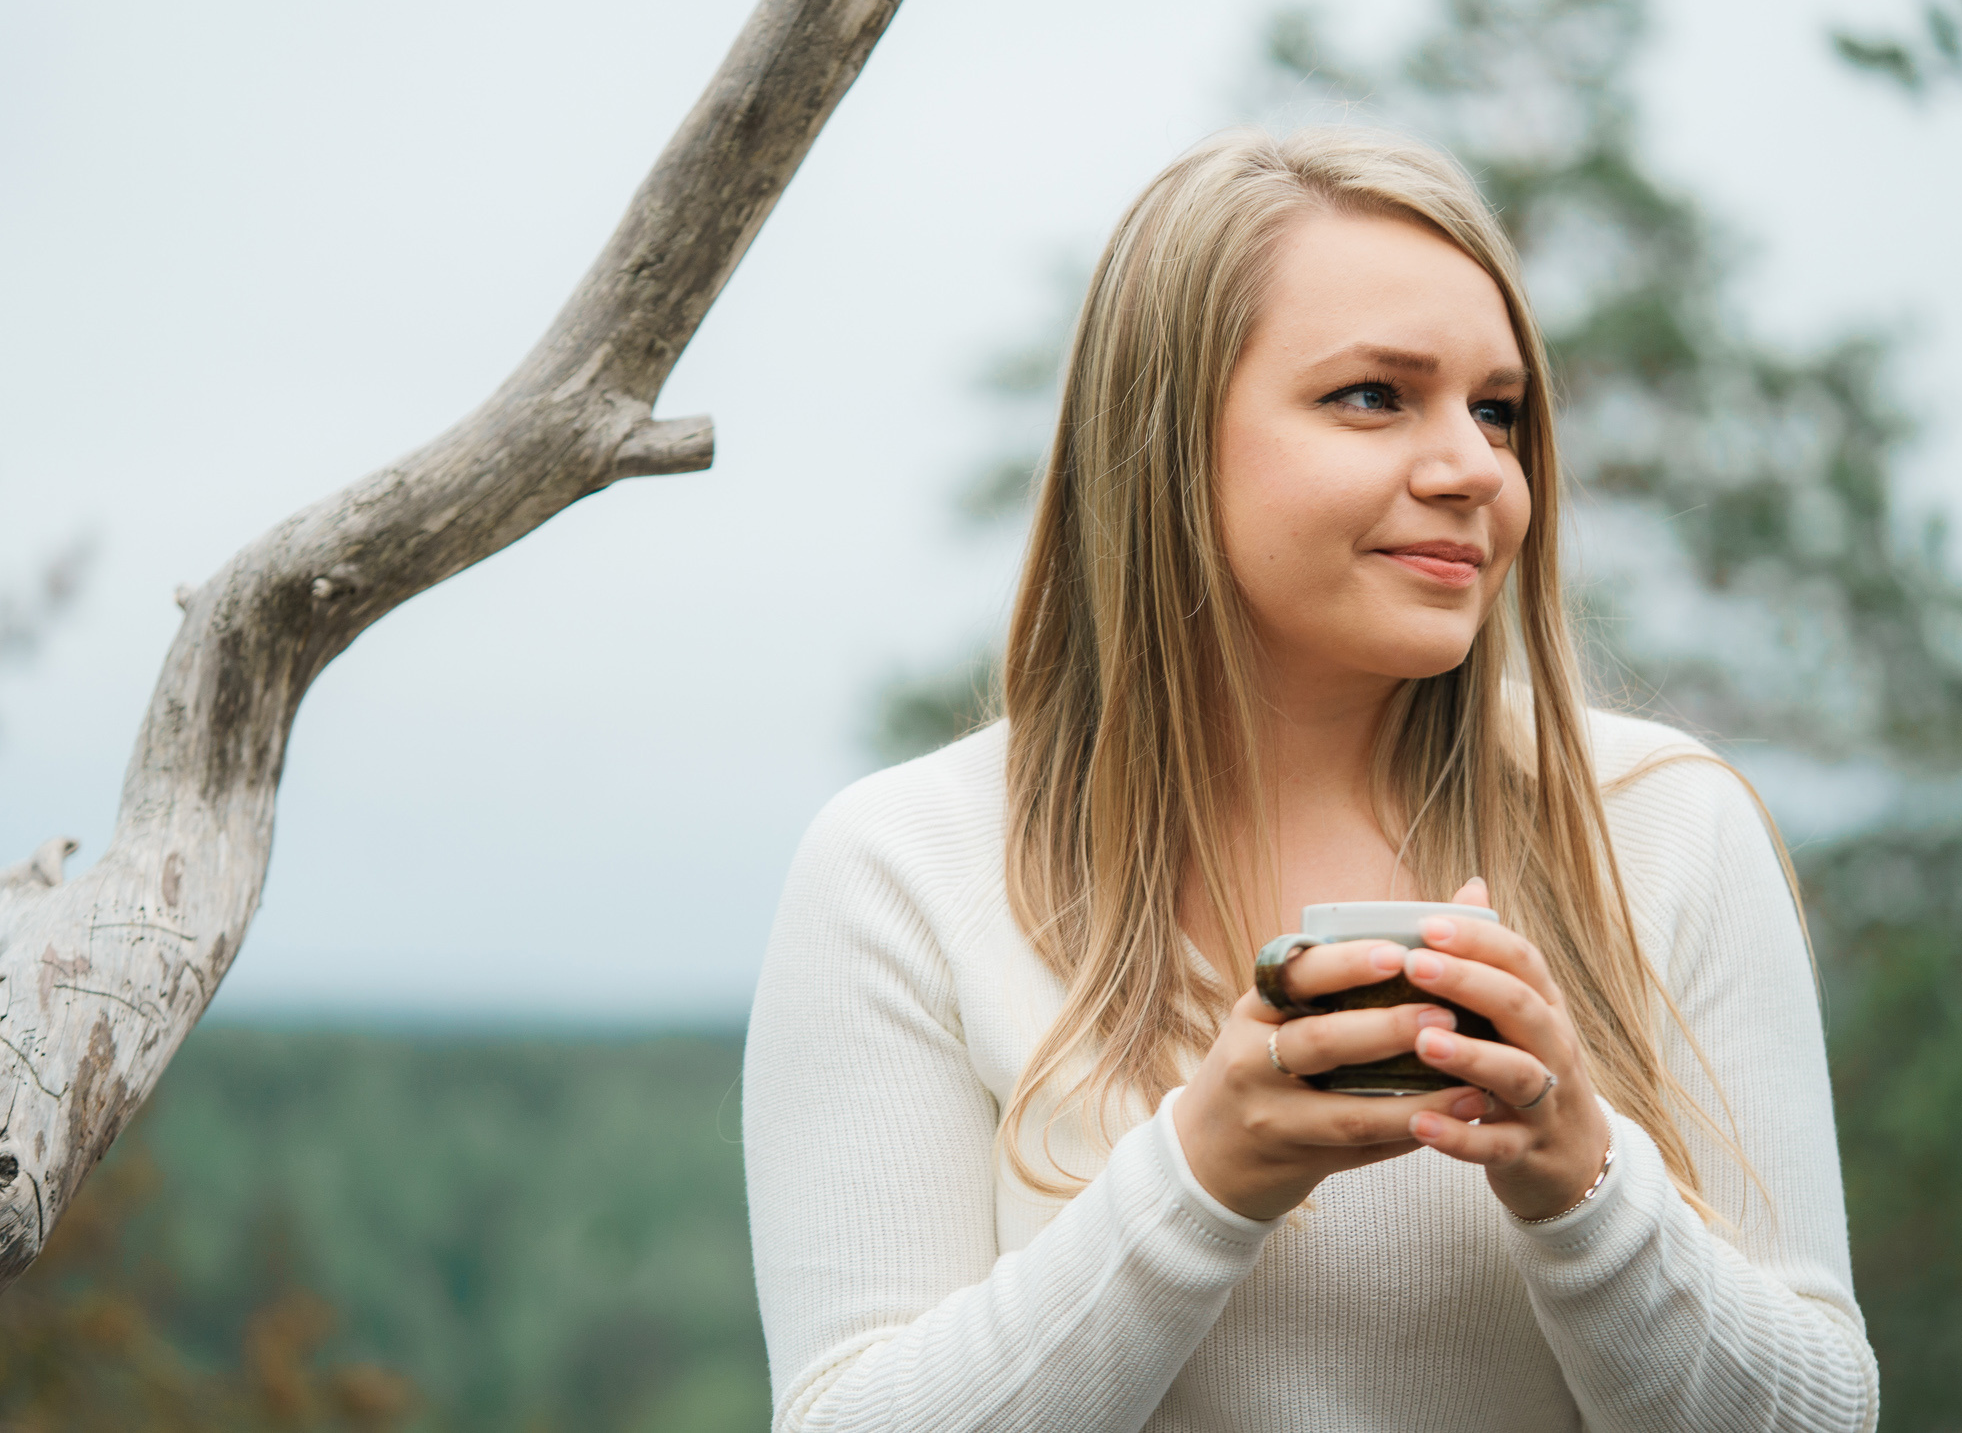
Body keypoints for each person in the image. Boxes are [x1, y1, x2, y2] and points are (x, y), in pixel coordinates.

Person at [743, 126, 1878, 1432]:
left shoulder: (1665, 826)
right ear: (1166, 440)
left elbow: (1822, 1416)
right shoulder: (901, 870)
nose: (1473, 470)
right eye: (1374, 396)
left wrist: (1582, 1178)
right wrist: (1207, 1173)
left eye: (1496, 410)